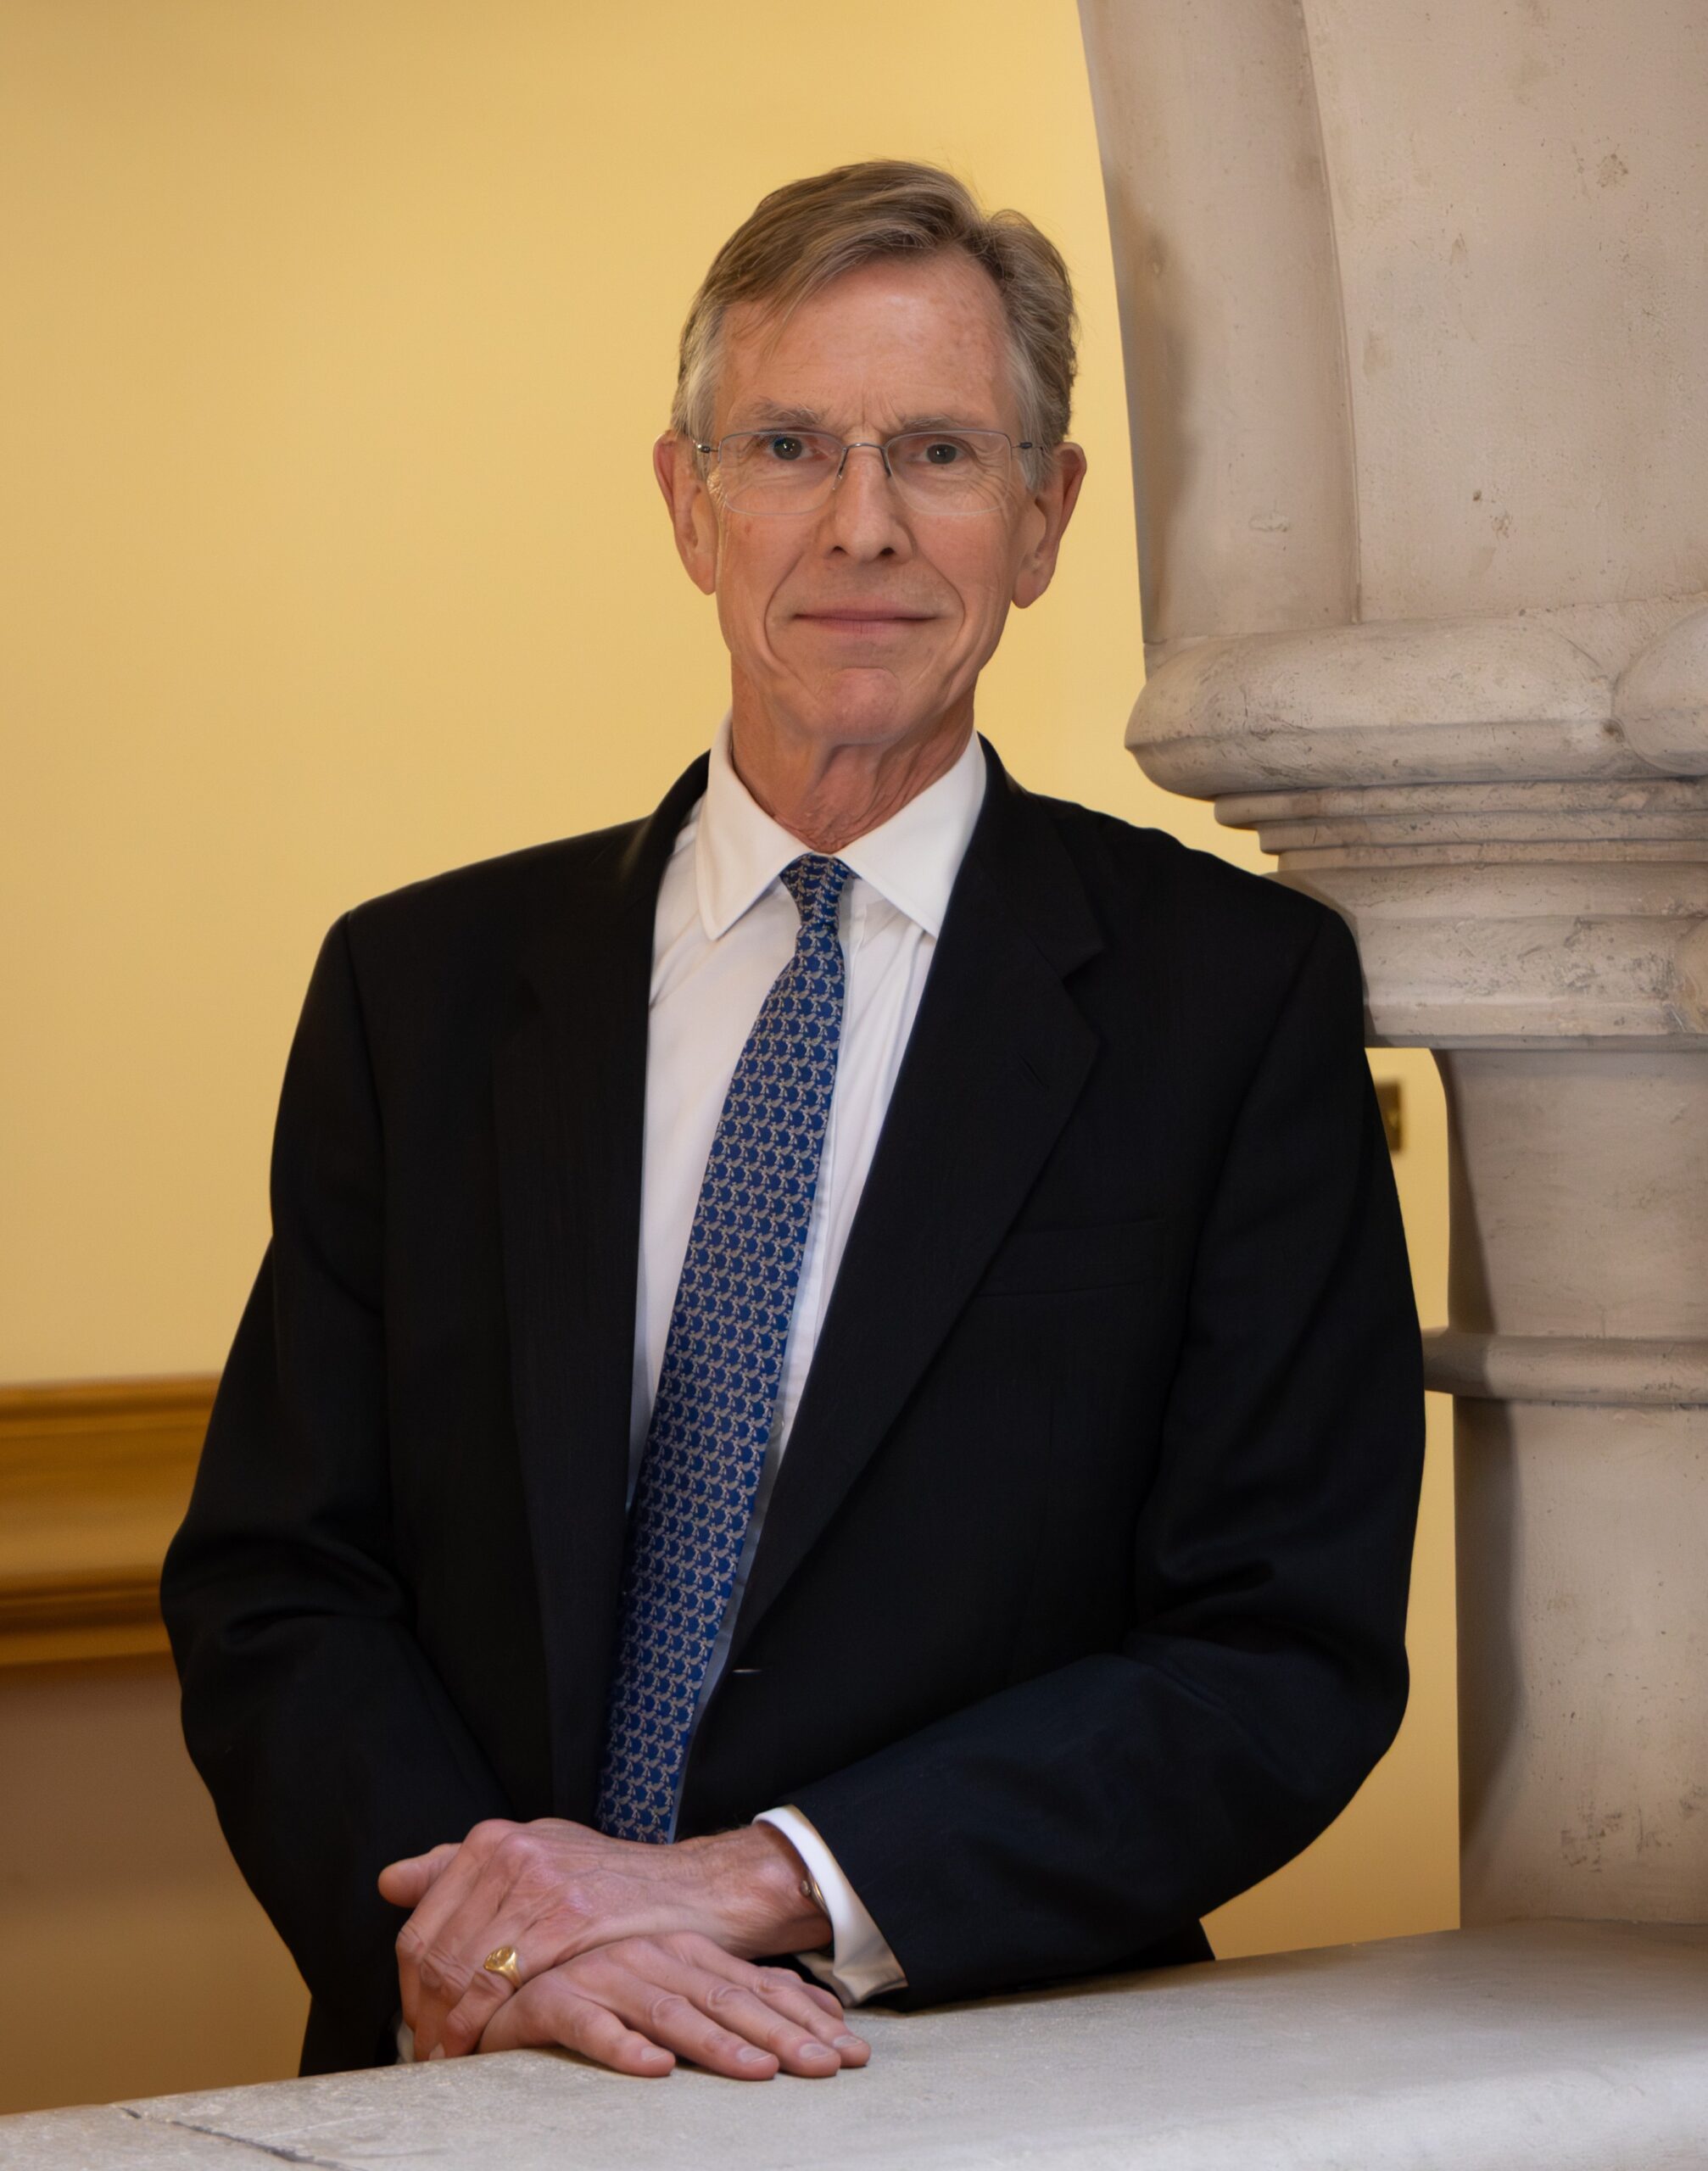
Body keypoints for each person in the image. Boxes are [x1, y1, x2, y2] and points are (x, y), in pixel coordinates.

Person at [162, 159, 1424, 2087]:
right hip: (476, 2055)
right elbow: (281, 1576)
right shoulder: (414, 989)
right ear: (685, 504)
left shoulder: (1227, 1000)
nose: (861, 526)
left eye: (935, 449)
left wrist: (751, 1882)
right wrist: (490, 1931)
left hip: (972, 2068)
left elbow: (1276, 1650)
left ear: (1042, 512)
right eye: (785, 445)